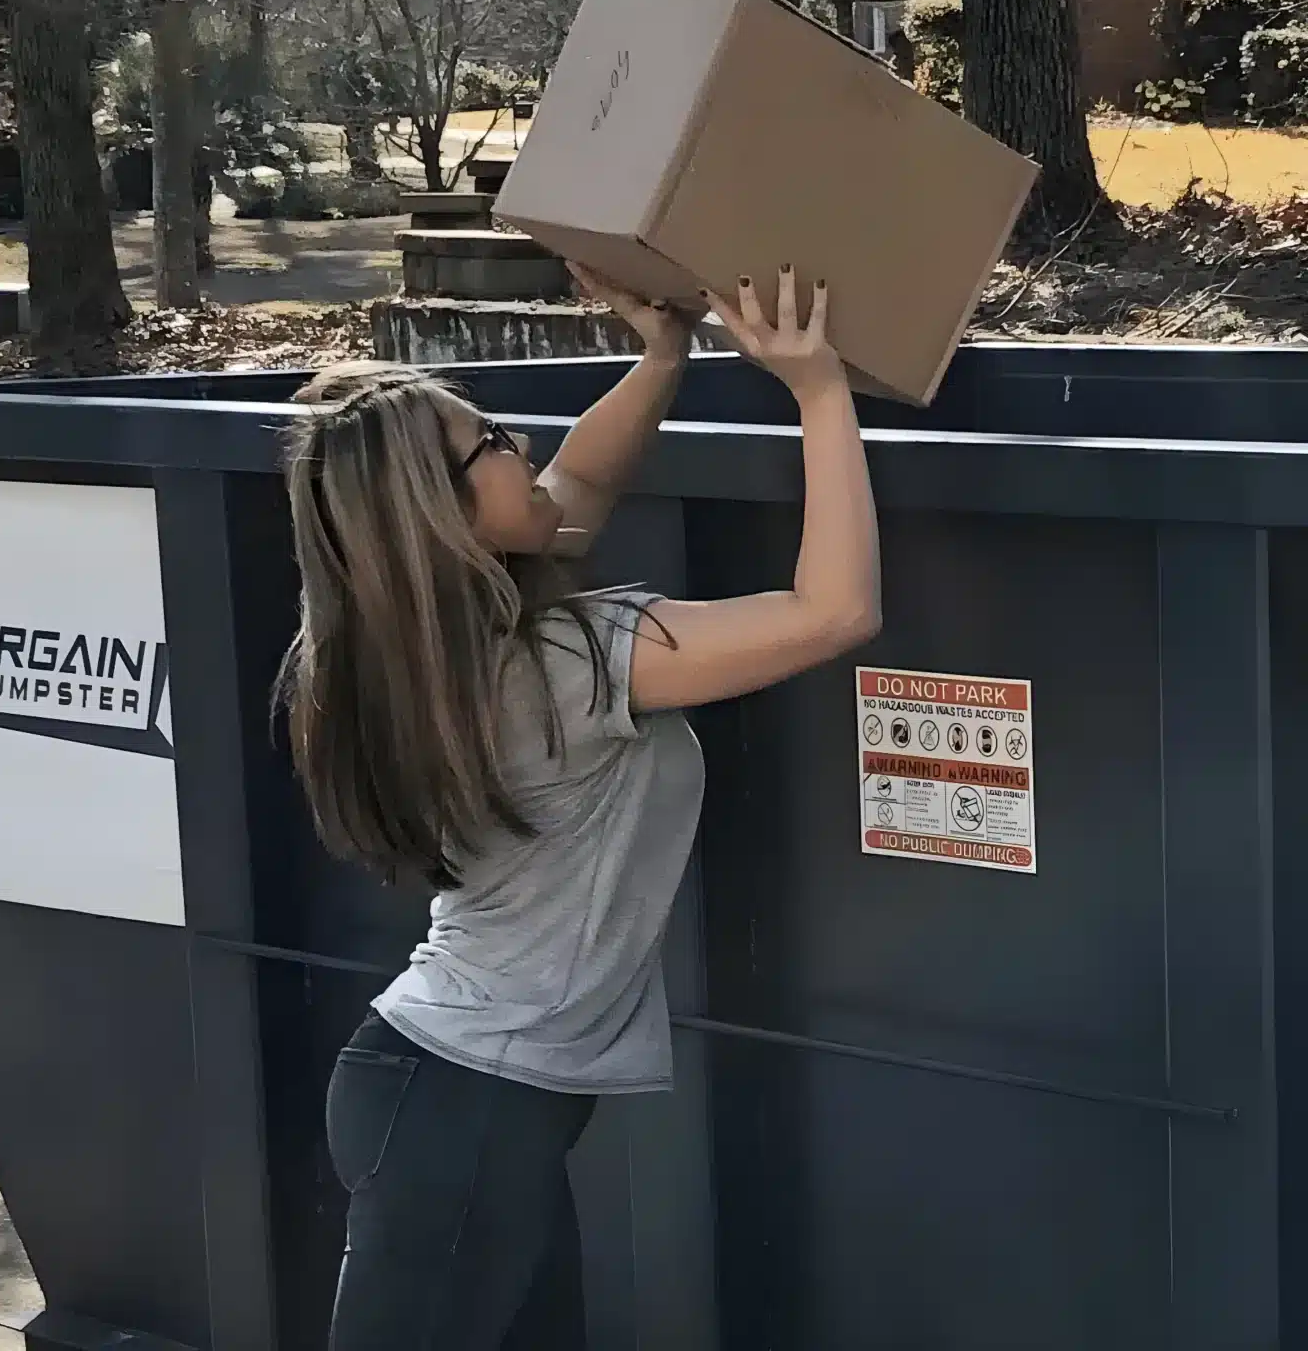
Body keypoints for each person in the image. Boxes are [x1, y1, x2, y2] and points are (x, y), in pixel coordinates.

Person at [280, 265, 882, 1351]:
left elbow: (576, 489)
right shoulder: (561, 666)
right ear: (448, 511)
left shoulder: (399, 648)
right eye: (493, 441)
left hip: (458, 1098)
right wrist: (818, 391)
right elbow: (832, 611)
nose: (521, 447)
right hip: (465, 1111)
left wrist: (663, 358)